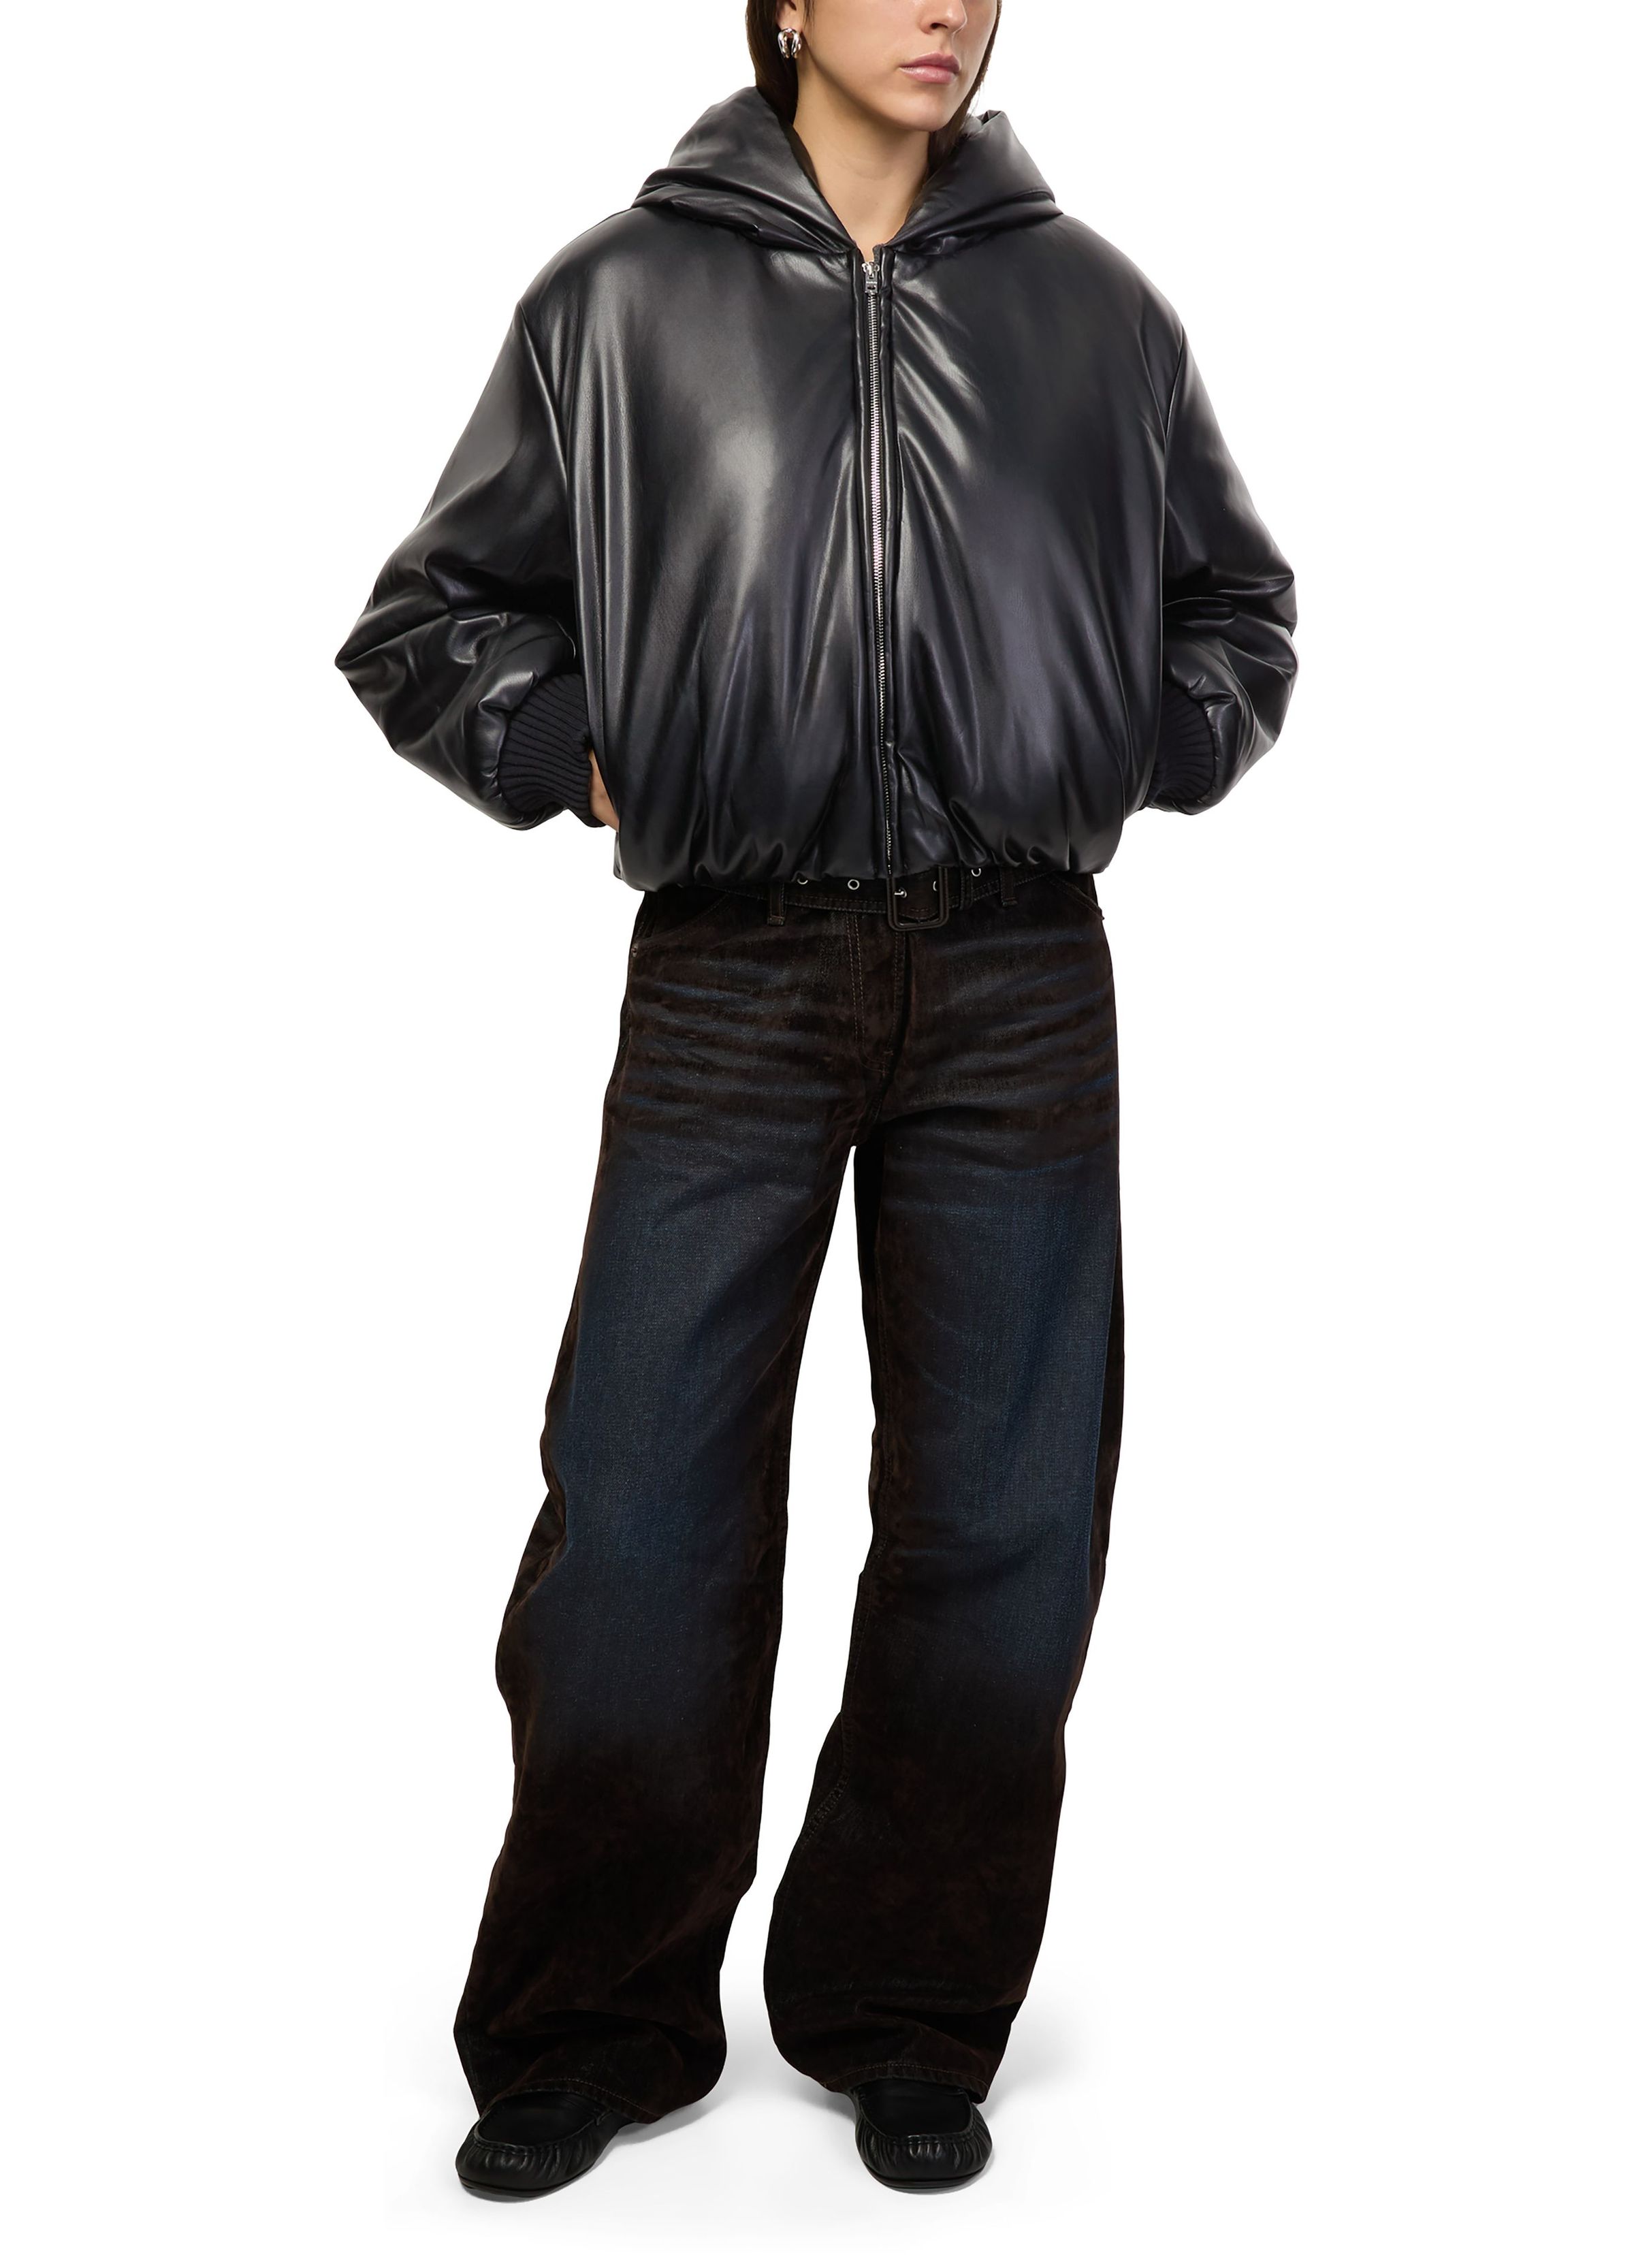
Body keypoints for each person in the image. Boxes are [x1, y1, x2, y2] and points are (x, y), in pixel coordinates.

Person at [336, 0, 1297, 2200]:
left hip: (1022, 974)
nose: (945, 4)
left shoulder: (1095, 312)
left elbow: (1238, 612)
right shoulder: (617, 301)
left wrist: (1127, 734)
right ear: (783, 6)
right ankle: (592, 2014)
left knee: (1005, 1515)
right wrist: (591, 761)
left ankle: (905, 2003)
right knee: (641, 1508)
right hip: (733, 970)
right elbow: (427, 622)